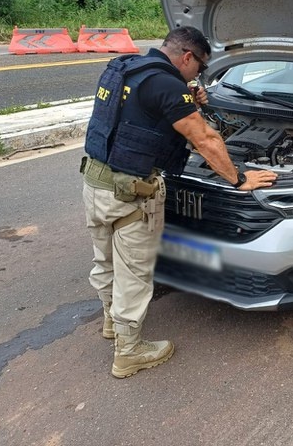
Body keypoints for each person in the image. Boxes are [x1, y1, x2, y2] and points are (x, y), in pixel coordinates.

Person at [80, 26, 277, 378]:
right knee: (135, 273)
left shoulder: (124, 68)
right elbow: (206, 140)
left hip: (95, 183)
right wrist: (239, 179)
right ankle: (128, 351)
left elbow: (140, 111)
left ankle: (111, 322)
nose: (198, 75)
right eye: (199, 68)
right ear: (187, 57)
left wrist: (185, 96)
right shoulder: (168, 86)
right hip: (131, 194)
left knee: (104, 259)